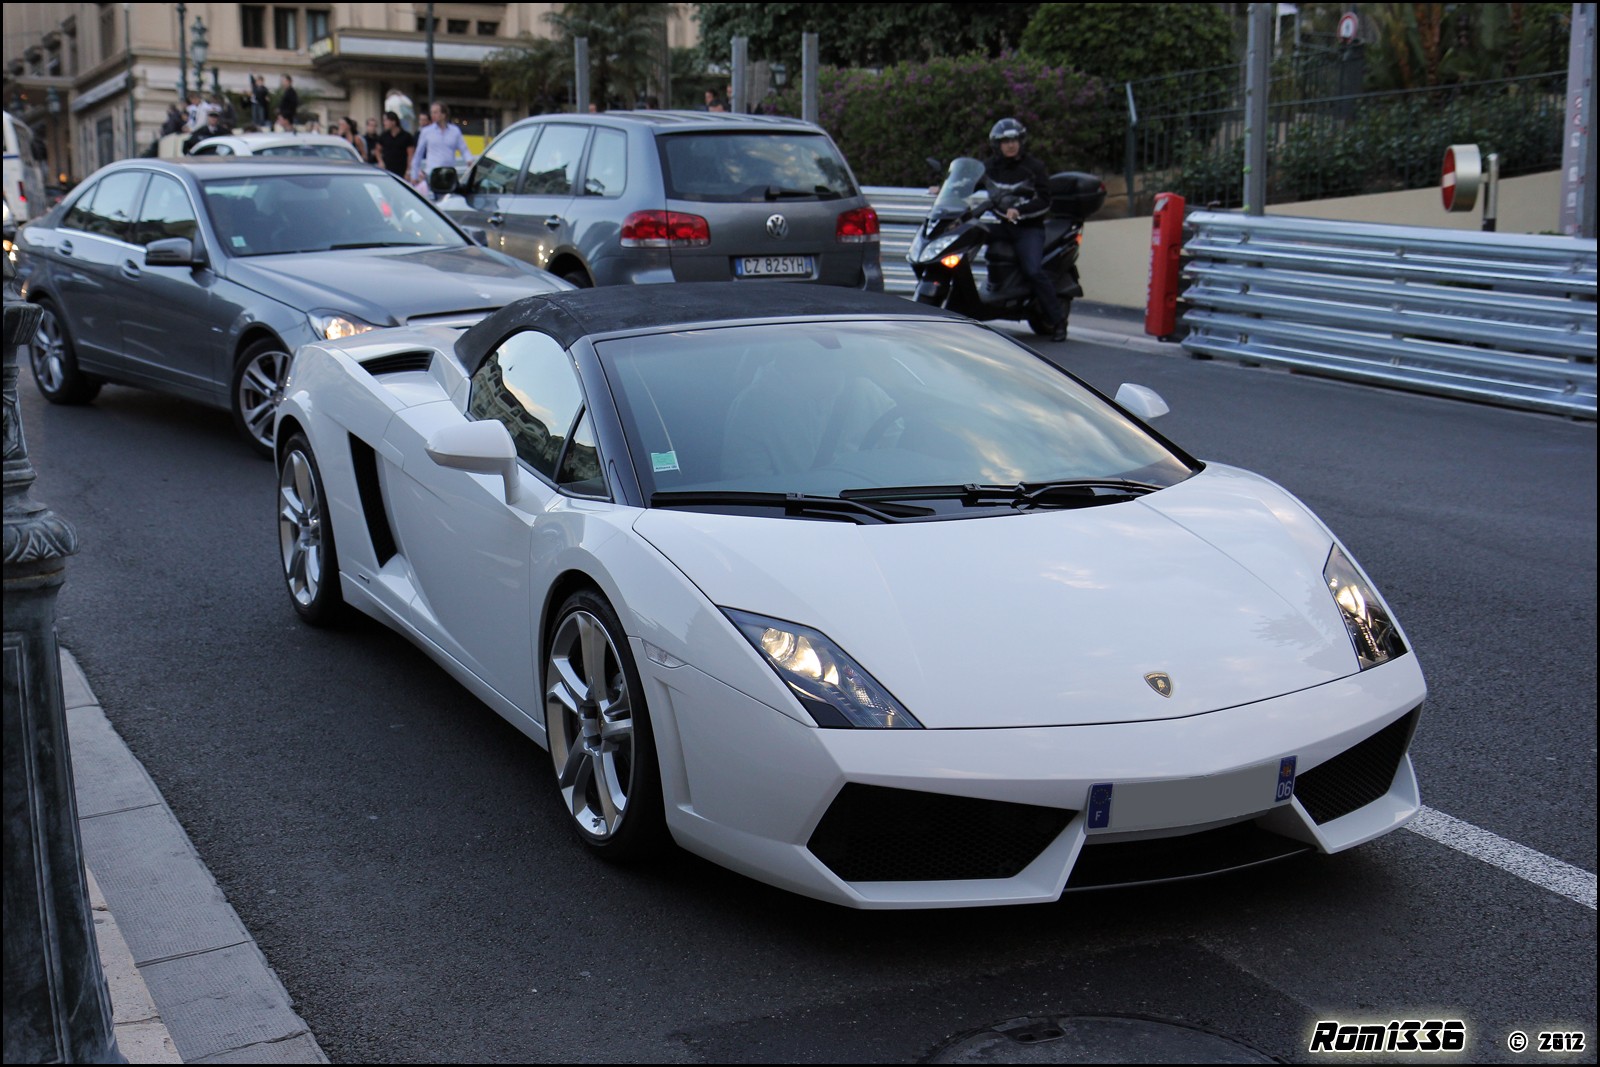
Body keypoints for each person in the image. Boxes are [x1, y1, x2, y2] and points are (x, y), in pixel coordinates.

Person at [980, 117, 1066, 342]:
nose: (1010, 144)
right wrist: (944, 188)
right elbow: (968, 183)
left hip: (1028, 229)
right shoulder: (989, 167)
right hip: (1001, 226)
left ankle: (1058, 322)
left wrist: (1020, 211)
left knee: (1033, 271)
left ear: (1021, 142)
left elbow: (1045, 201)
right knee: (966, 237)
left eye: (1015, 140)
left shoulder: (1034, 167)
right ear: (997, 144)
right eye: (1005, 140)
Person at [409, 101, 472, 197]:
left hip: (448, 174)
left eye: (436, 112)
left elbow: (464, 149)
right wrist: (414, 175)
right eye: (432, 112)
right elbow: (418, 154)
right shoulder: (426, 132)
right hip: (432, 174)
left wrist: (469, 160)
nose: (433, 115)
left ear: (443, 114)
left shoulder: (455, 131)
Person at [373, 111, 415, 178]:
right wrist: (380, 161)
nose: (384, 123)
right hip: (387, 171)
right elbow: (377, 150)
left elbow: (410, 155)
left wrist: (408, 170)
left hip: (402, 171)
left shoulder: (406, 136)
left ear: (393, 122)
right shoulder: (384, 136)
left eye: (386, 121)